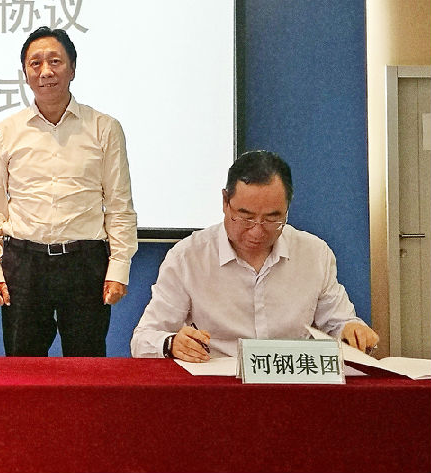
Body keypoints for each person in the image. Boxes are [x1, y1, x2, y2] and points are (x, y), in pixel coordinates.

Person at [0, 26, 138, 357]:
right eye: (35, 63)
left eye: (55, 61)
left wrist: (119, 268)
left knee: (86, 367)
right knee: (22, 368)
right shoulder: (6, 132)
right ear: (25, 73)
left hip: (85, 264)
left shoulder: (104, 128)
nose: (45, 71)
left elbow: (119, 205)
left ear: (72, 68)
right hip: (24, 265)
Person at [131, 150, 380, 361]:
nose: (257, 231)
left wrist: (353, 331)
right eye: (245, 217)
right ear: (225, 202)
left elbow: (340, 322)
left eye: (272, 218)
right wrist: (171, 343)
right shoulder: (188, 257)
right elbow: (143, 339)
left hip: (292, 384)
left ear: (287, 208)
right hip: (217, 385)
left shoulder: (314, 253)